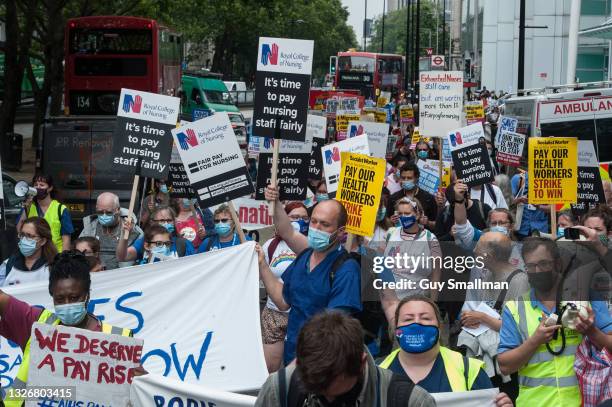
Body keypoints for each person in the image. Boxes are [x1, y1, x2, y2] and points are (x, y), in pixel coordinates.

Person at [0, 251, 142, 406]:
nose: (67, 304)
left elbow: (138, 392)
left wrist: (140, 380)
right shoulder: (35, 324)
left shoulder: (118, 341)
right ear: (52, 296)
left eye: (74, 298)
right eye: (60, 299)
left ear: (87, 295)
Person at [498, 237, 612, 407]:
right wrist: (535, 340)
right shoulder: (515, 308)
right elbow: (505, 366)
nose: (537, 271)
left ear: (558, 264)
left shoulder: (585, 297)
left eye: (544, 264)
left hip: (583, 402)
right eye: (531, 266)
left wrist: (591, 332)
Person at [262, 185, 361, 365]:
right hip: (293, 355)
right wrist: (262, 265)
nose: (316, 228)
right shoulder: (305, 257)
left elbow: (334, 330)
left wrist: (299, 365)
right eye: (314, 221)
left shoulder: (346, 269)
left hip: (320, 363)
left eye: (324, 224)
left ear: (340, 231)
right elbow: (283, 301)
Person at [255, 311, 435, 407]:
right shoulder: (279, 389)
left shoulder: (411, 401)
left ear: (361, 363)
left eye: (334, 391)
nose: (329, 399)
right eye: (317, 391)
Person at [379, 296, 513, 406]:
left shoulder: (469, 370)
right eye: (408, 319)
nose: (417, 323)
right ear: (396, 327)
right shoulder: (376, 371)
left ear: (439, 326)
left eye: (425, 318)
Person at [260, 202, 309, 373]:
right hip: (274, 313)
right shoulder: (271, 245)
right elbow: (262, 273)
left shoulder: (313, 246)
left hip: (300, 315)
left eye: (304, 218)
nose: (300, 221)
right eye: (294, 217)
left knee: (297, 370)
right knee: (270, 370)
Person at [385, 198, 441, 300]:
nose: (403, 217)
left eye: (407, 213)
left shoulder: (430, 239)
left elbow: (435, 276)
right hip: (390, 301)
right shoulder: (390, 234)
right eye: (400, 214)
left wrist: (433, 303)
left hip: (416, 301)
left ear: (417, 214)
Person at [80, 192, 143, 270]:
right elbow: (78, 253)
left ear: (118, 210)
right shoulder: (89, 228)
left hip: (122, 277)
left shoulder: (133, 231)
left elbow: (142, 259)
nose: (104, 215)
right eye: (100, 212)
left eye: (109, 212)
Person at [117, 206, 195, 263]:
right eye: (162, 220)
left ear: (174, 222)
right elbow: (122, 257)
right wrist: (125, 236)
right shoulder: (145, 241)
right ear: (152, 222)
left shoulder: (184, 244)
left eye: (169, 220)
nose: (166, 223)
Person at [17, 173, 74, 252]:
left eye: (42, 185)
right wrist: (26, 207)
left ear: (50, 188)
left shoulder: (60, 209)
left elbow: (66, 239)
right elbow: (19, 230)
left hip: (55, 254)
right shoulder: (29, 207)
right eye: (36, 185)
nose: (38, 187)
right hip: (34, 253)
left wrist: (63, 259)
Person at [0, 217, 57, 286]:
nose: (24, 240)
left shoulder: (55, 265)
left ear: (42, 241)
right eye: (22, 235)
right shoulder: (8, 264)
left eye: (29, 236)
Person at [388, 162, 437, 230]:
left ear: (417, 179)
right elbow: (386, 222)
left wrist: (427, 222)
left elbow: (437, 225)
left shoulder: (428, 198)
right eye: (403, 178)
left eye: (409, 178)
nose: (406, 180)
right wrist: (391, 221)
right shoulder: (393, 198)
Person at [511, 172, 549, 239]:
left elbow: (555, 209)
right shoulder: (518, 179)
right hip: (520, 228)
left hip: (540, 230)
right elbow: (508, 203)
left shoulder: (551, 182)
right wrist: (519, 200)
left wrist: (540, 206)